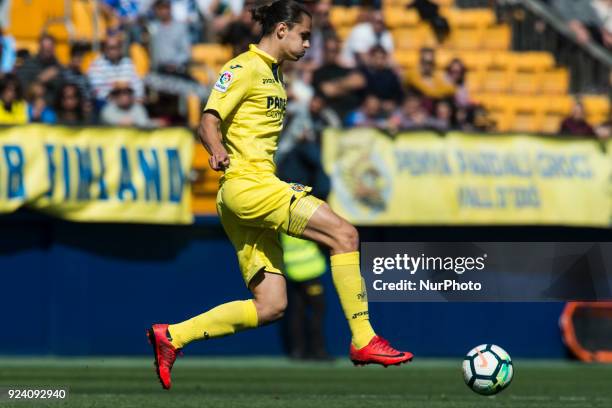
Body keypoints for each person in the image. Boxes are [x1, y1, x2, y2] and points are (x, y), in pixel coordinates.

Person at [147, 0, 413, 391]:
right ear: (282, 29)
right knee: (345, 235)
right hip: (248, 185)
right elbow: (208, 119)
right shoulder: (244, 67)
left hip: (246, 194)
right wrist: (215, 149)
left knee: (271, 306)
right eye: (304, 35)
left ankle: (172, 336)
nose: (308, 44)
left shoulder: (275, 76)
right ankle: (363, 338)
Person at [88, 35, 144, 107]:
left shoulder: (128, 63)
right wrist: (119, 92)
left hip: (129, 104)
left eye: (115, 47)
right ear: (104, 49)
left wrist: (138, 98)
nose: (112, 51)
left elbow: (137, 85)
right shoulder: (96, 65)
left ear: (120, 48)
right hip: (107, 105)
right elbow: (97, 91)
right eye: (109, 48)